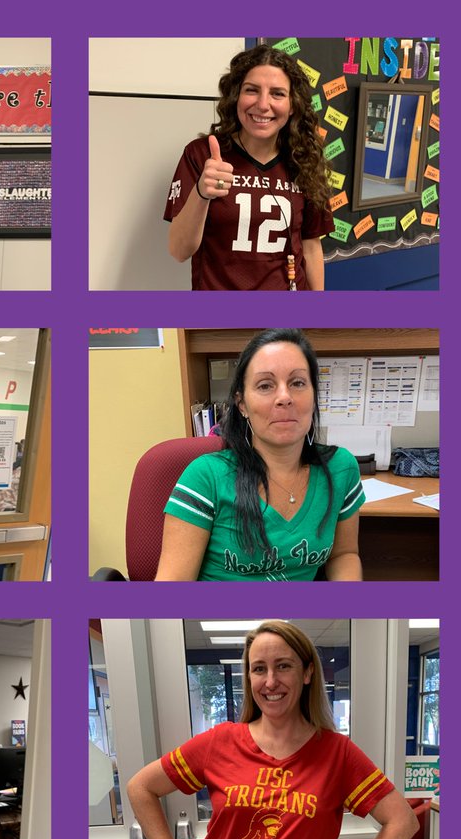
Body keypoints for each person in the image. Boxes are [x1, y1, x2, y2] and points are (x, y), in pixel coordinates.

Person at [126, 621, 418, 839]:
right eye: (258, 669)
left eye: (283, 666)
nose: (270, 681)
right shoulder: (220, 741)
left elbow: (402, 821)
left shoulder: (336, 753)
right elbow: (140, 787)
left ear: (307, 673)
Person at [156, 328, 363, 581]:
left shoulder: (340, 468)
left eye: (298, 383)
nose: (284, 397)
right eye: (265, 385)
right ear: (242, 404)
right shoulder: (205, 477)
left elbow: (344, 554)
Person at [164, 45, 332, 291]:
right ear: (236, 97)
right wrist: (201, 193)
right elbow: (179, 251)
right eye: (251, 90)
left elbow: (311, 246)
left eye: (277, 94)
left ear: (293, 105)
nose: (263, 104)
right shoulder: (201, 155)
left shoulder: (305, 160)